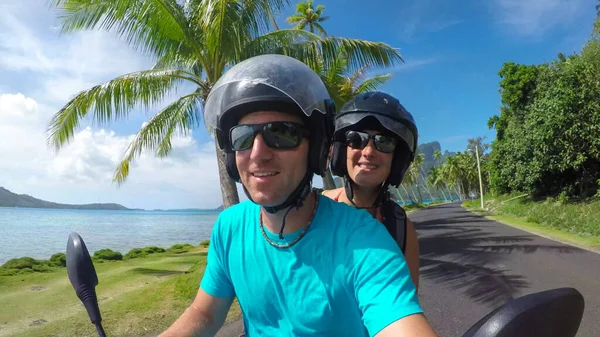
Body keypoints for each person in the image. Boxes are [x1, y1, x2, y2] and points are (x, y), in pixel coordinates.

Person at [158, 54, 437, 337]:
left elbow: (399, 316)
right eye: (242, 137)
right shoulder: (229, 227)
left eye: (281, 133)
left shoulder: (368, 241)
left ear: (316, 149)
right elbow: (204, 313)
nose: (258, 154)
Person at [322, 91, 421, 290]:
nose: (368, 152)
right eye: (356, 139)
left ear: (397, 159)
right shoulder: (317, 210)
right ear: (342, 151)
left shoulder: (399, 227)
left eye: (383, 142)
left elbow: (408, 305)